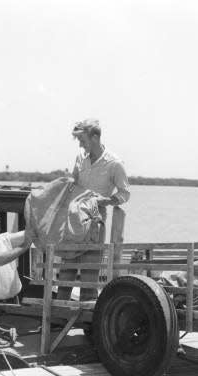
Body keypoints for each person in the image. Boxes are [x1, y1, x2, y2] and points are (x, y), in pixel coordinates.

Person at [57, 118, 130, 300]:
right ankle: (58, 321)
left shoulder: (115, 163)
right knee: (65, 277)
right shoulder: (80, 158)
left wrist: (107, 200)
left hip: (95, 224)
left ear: (95, 137)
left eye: (83, 140)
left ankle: (89, 326)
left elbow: (125, 193)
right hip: (73, 224)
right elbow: (73, 182)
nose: (80, 146)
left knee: (89, 282)